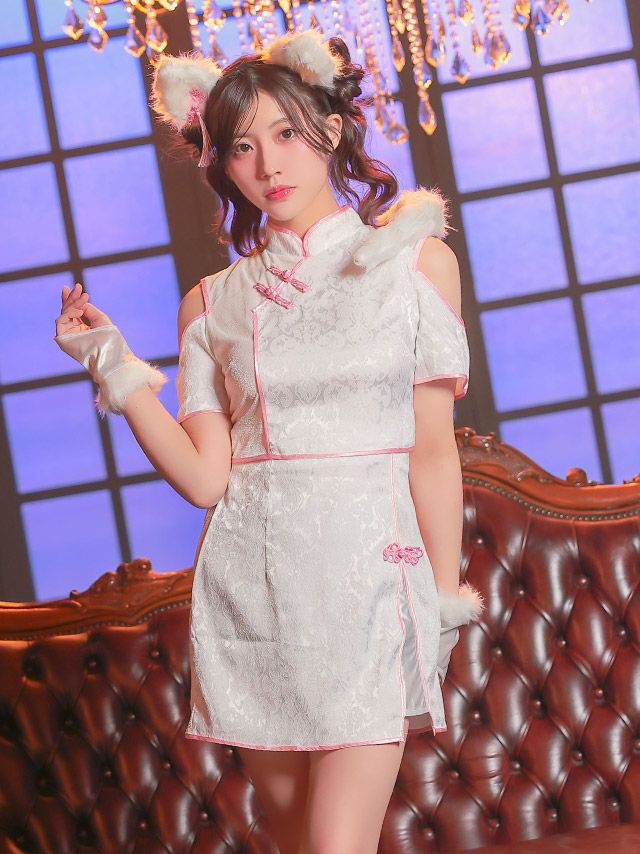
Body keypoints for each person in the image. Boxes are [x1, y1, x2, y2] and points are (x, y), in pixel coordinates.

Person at [53, 29, 483, 854]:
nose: (268, 164)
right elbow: (205, 480)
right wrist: (111, 362)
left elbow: (433, 453)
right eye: (243, 147)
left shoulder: (415, 264)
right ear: (220, 163)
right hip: (252, 603)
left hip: (371, 590)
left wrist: (442, 599)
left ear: (330, 128)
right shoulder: (211, 301)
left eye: (286, 133)